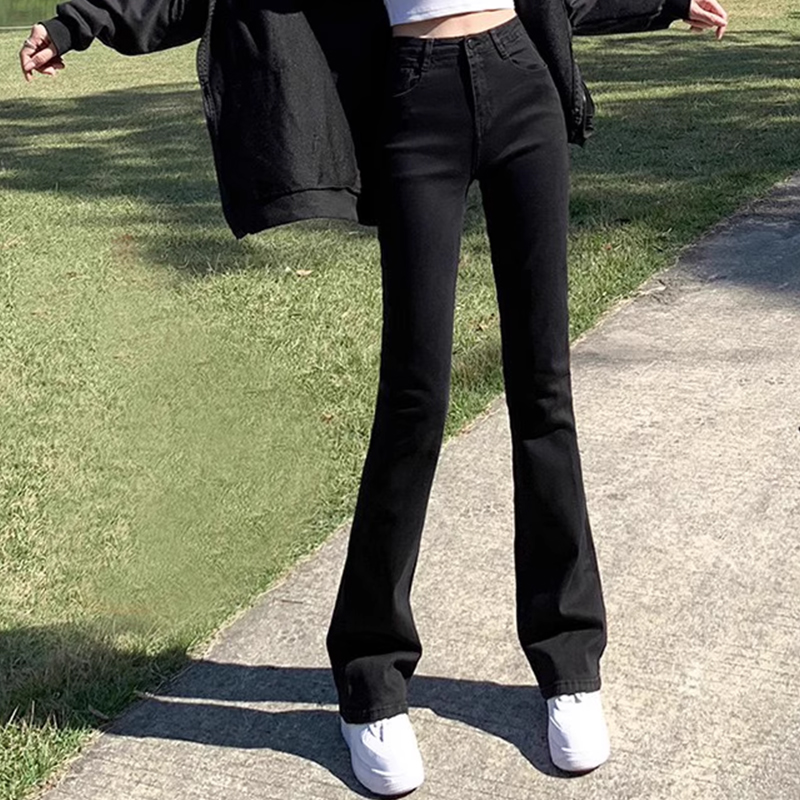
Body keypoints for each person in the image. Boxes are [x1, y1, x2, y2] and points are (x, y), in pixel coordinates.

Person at [20, 0, 728, 795]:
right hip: (414, 95)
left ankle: (569, 662)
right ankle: (370, 679)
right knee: (414, 400)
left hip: (518, 75)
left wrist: (666, 1)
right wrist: (81, 22)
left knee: (544, 387)